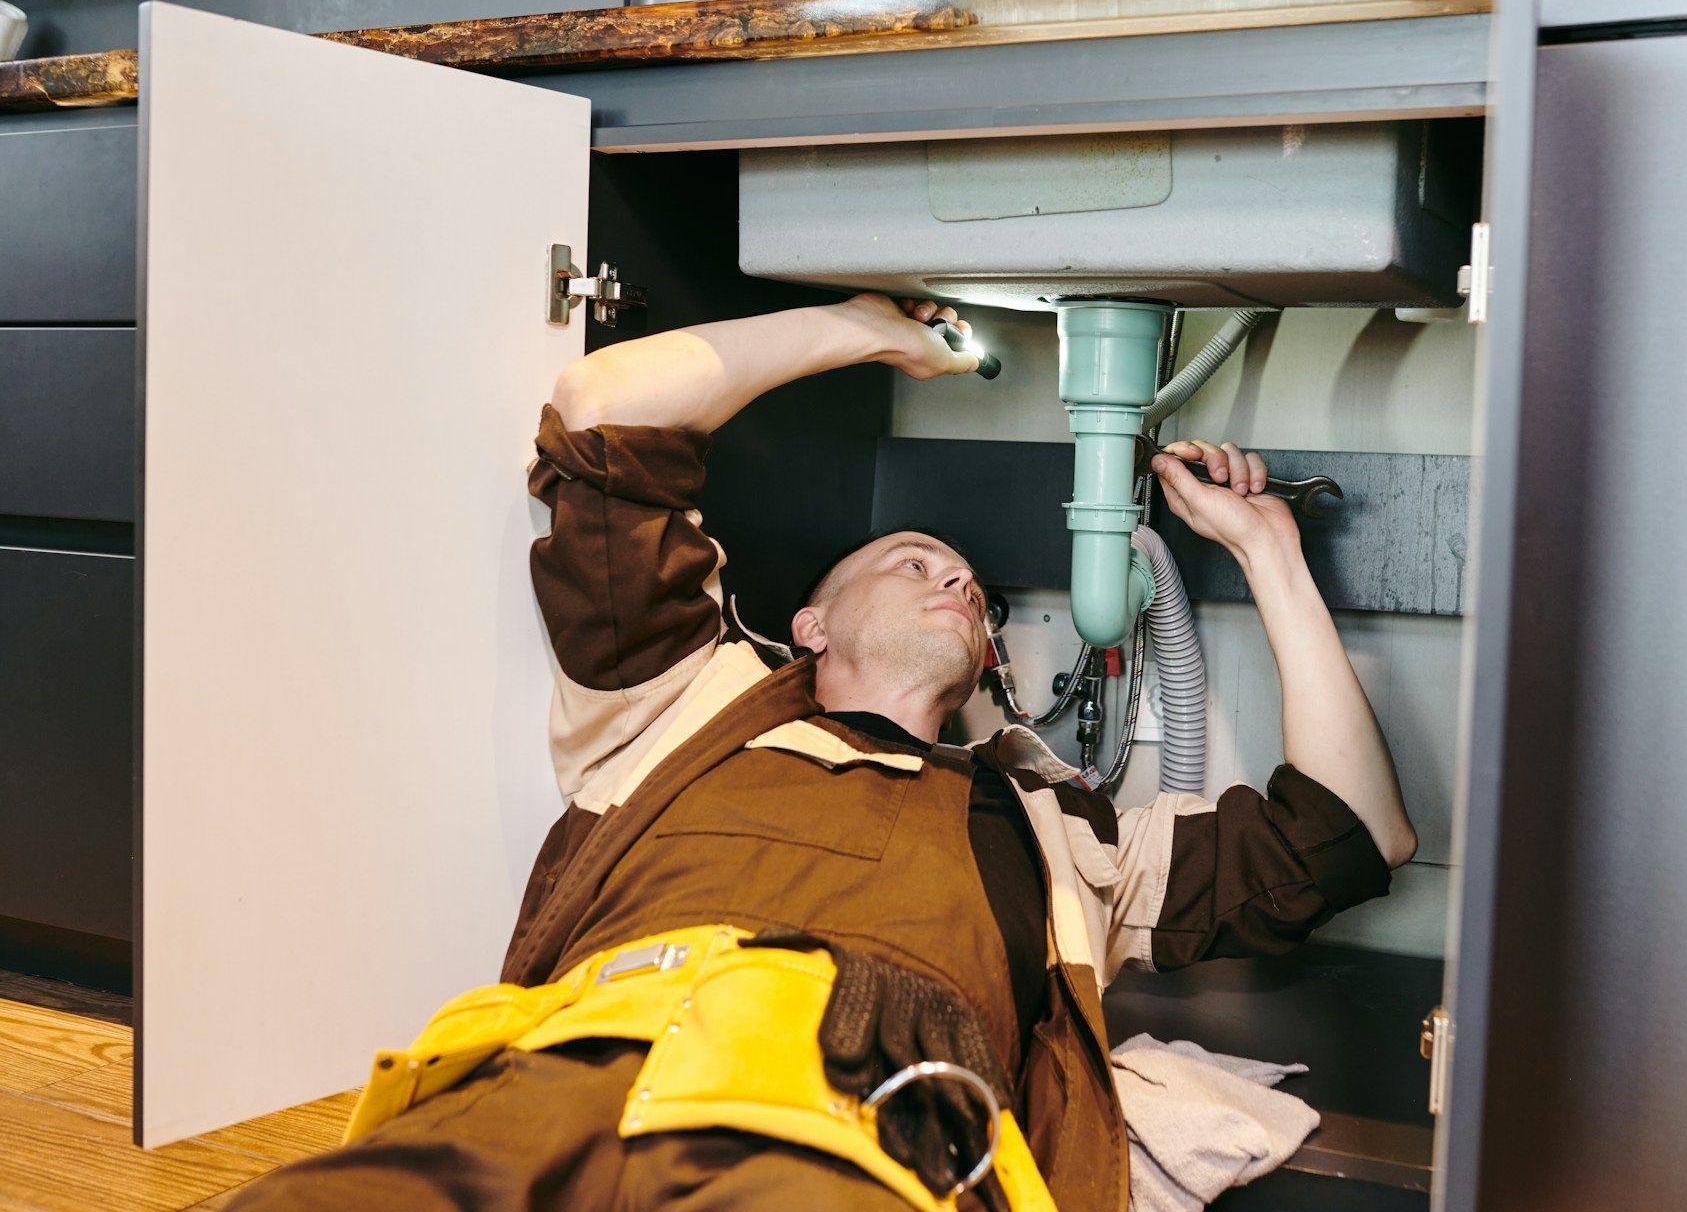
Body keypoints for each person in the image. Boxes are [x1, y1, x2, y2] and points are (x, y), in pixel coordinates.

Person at [232, 294, 1417, 1211]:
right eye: (912, 558)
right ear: (808, 623)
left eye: (969, 583)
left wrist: (1268, 551)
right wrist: (868, 331)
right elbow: (604, 405)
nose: (957, 574)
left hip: (866, 1112)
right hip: (564, 1066)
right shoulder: (685, 697)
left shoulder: (1061, 832)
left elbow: (1354, 835)